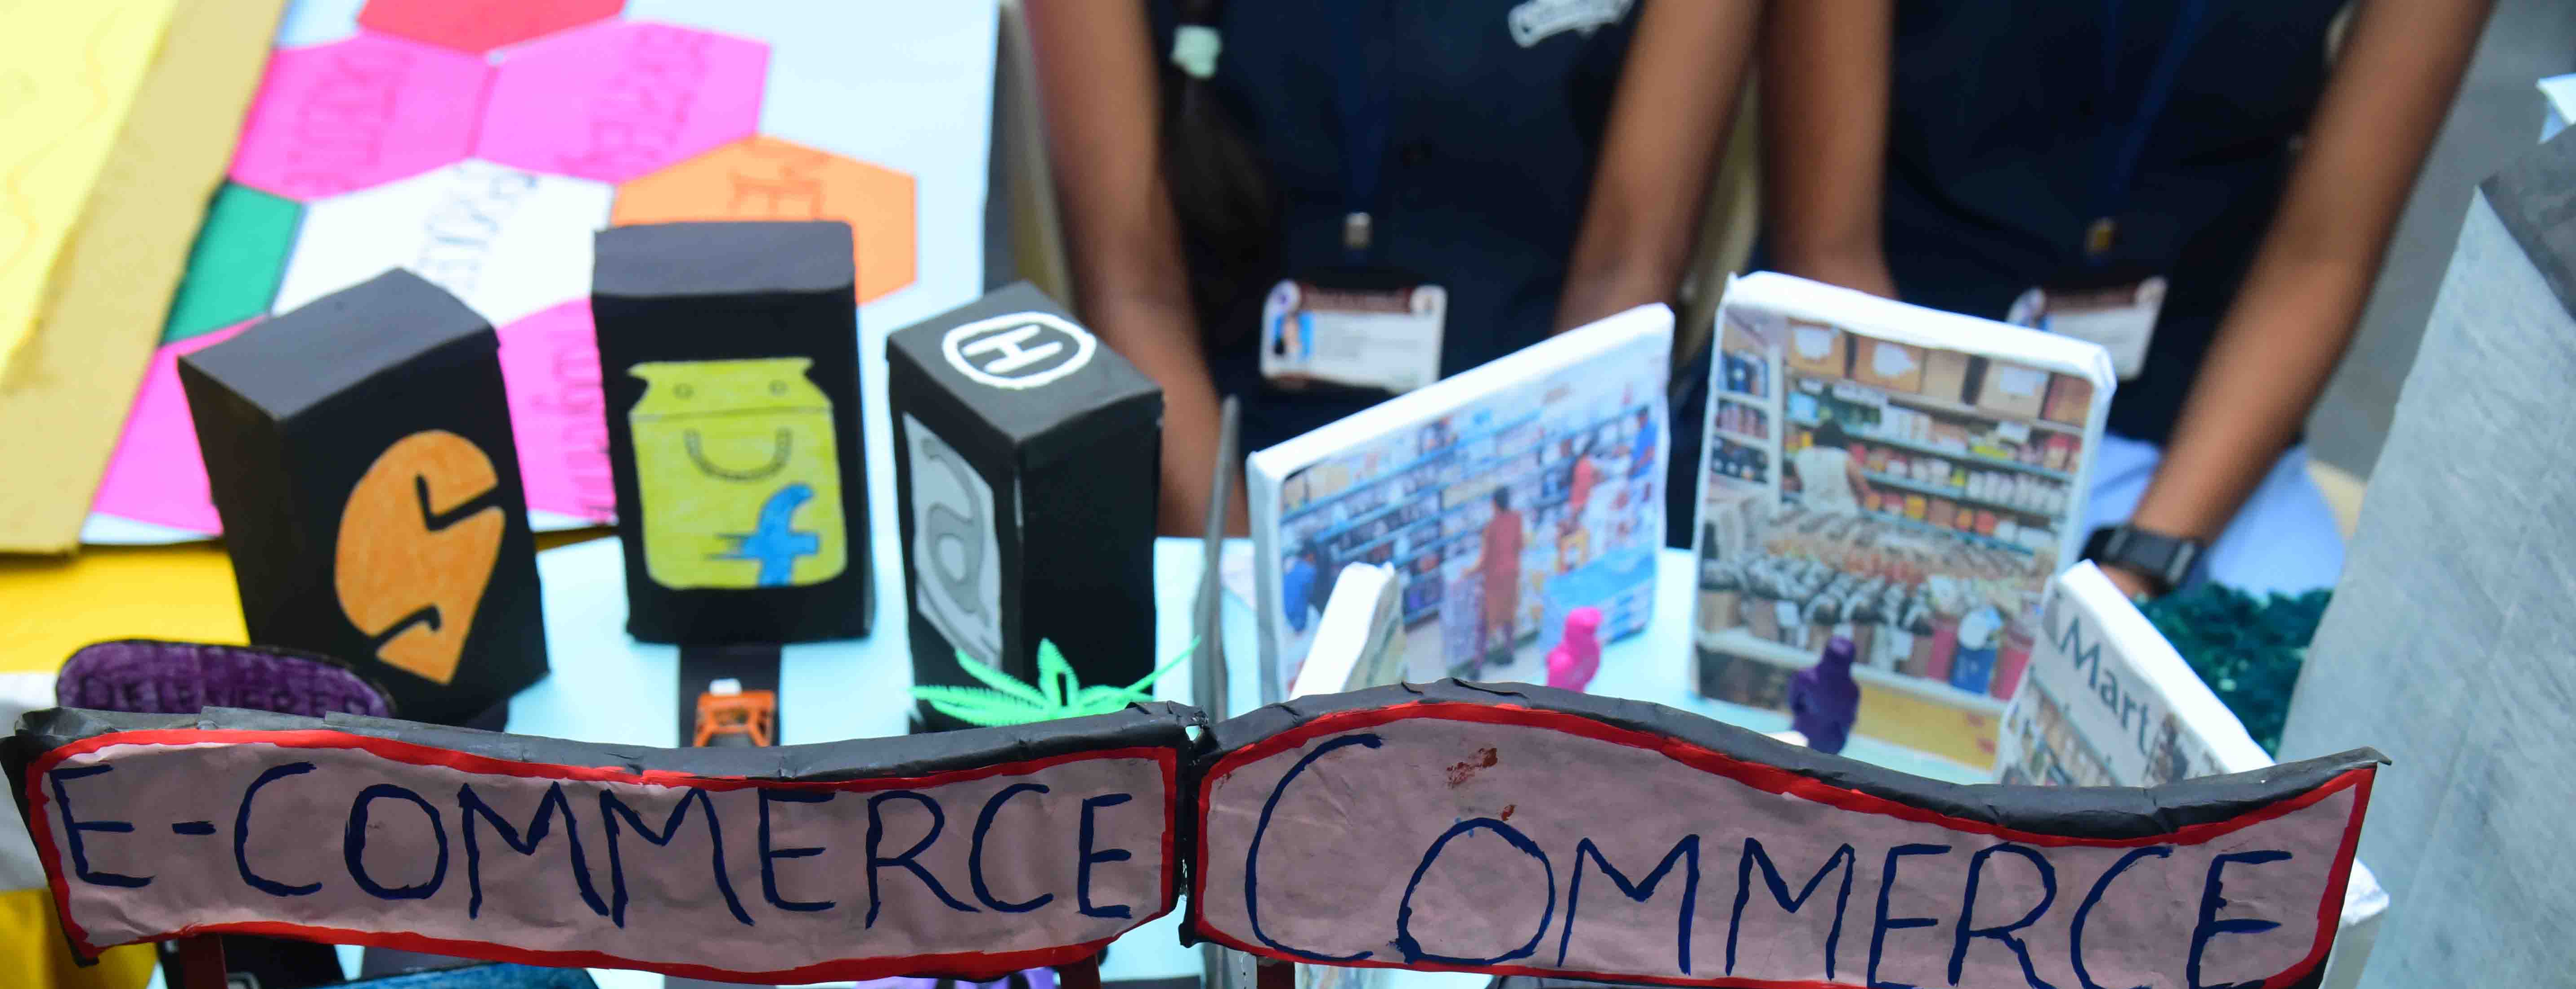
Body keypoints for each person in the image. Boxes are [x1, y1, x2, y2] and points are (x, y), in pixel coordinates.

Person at [1757, 0, 2491, 599]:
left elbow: (2323, 255)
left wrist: (2142, 565)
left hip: (2195, 432)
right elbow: (1826, 249)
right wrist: (1925, 510)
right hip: (1883, 390)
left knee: (2309, 717)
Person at [1026, 0, 1764, 533]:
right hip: (1216, 475)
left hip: (1533, 461)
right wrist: (1241, 590)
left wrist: (1522, 558)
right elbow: (1131, 290)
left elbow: (1628, 272)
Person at [1477, 487, 1525, 662]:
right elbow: (1520, 545)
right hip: (1511, 576)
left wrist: (1468, 572)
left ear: (1494, 504)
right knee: (1508, 616)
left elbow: (1485, 560)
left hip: (1495, 581)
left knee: (1484, 620)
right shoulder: (1517, 519)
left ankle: (1478, 663)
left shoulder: (1491, 527)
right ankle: (1509, 652)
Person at [1789, 416, 1871, 515]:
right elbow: (1864, 490)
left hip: (1811, 511)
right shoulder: (1844, 458)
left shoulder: (1802, 455)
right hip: (1842, 514)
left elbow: (1799, 484)